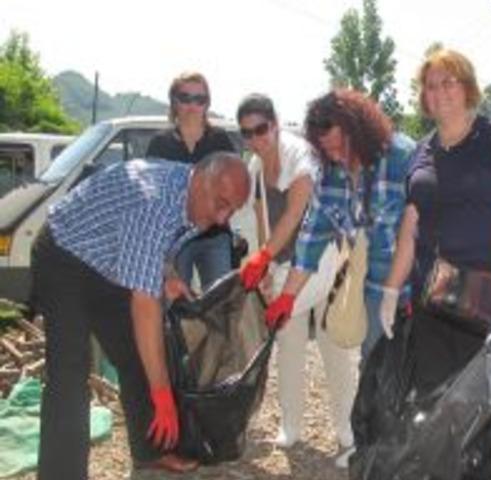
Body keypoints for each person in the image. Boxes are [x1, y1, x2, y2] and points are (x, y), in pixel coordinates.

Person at [381, 48, 491, 480]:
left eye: (449, 82)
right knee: (434, 409)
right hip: (431, 306)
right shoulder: (420, 154)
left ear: (467, 87)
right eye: (431, 86)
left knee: (486, 413)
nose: (440, 93)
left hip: (483, 305)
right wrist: (390, 288)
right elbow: (410, 227)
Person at [31, 152, 251, 480]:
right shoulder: (155, 202)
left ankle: (151, 452)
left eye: (232, 209)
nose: (222, 218)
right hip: (63, 257)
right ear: (202, 180)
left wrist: (166, 274)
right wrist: (162, 395)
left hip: (107, 264)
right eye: (221, 204)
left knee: (137, 356)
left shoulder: (187, 188)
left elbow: (141, 245)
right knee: (70, 373)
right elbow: (145, 307)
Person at [262, 88, 415, 466]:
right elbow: (313, 236)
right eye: (325, 149)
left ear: (358, 129)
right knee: (373, 362)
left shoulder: (400, 156)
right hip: (369, 285)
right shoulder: (330, 171)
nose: (335, 155)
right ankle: (373, 449)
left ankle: (401, 452)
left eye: (339, 145)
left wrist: (410, 288)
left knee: (408, 370)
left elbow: (423, 223)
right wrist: (288, 297)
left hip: (409, 282)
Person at [235, 94, 357, 465]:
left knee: (334, 344)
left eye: (261, 129)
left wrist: (266, 256)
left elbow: (296, 212)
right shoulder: (255, 164)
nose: (256, 139)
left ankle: (349, 436)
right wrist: (266, 264)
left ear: (275, 123)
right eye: (247, 133)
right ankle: (291, 426)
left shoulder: (300, 154)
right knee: (287, 343)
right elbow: (263, 217)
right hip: (284, 265)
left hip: (323, 259)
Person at [146, 71, 238, 291]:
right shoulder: (160, 144)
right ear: (174, 101)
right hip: (174, 242)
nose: (192, 105)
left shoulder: (220, 141)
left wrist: (223, 212)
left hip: (215, 238)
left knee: (218, 309)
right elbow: (151, 196)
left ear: (207, 104)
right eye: (185, 98)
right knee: (175, 308)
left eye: (200, 99)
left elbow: (236, 187)